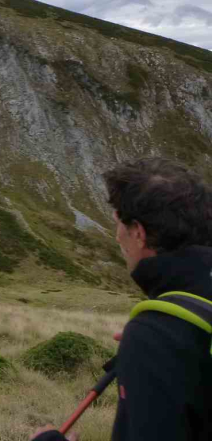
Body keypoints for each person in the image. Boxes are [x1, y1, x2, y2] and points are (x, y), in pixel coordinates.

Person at [31, 158, 212, 441]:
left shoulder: (154, 336)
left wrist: (152, 342)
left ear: (138, 233)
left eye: (117, 223)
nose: (116, 237)